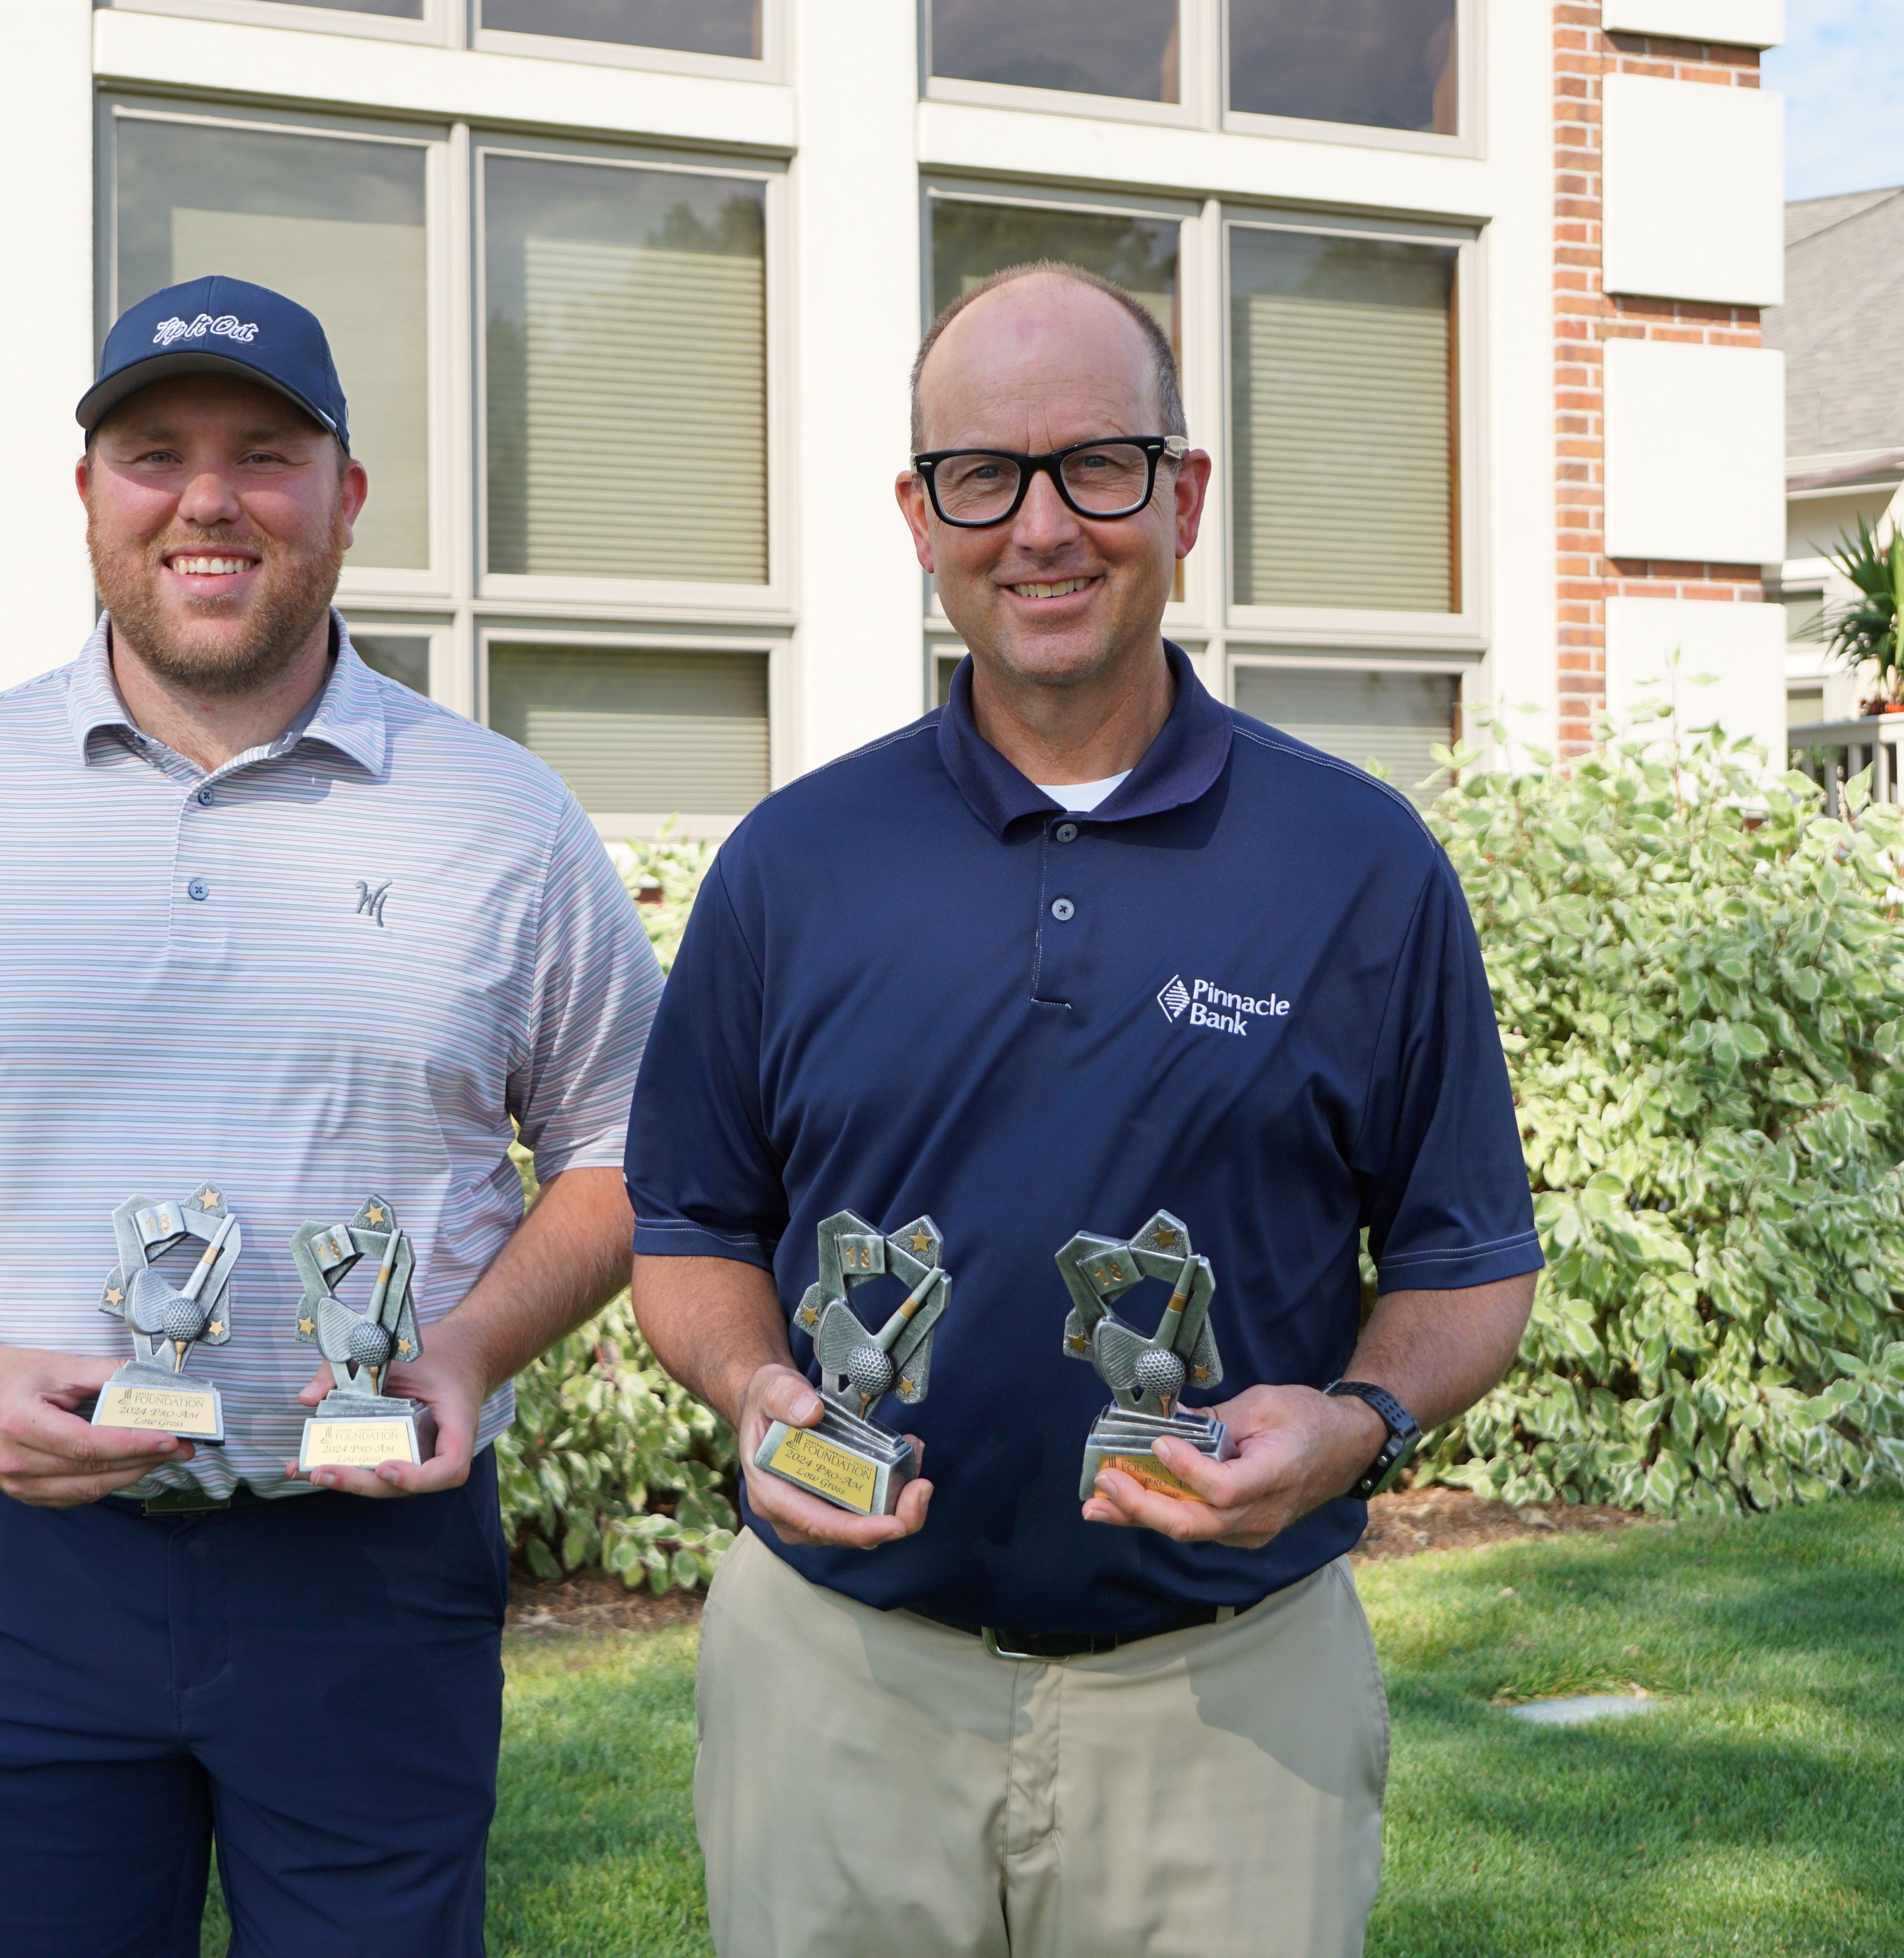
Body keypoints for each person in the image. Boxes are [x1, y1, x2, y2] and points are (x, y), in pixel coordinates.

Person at [0, 274, 665, 1957]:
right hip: (24, 1571)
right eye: (155, 453)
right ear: (91, 499)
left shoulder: (504, 820)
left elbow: (624, 1150)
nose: (208, 498)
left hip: (373, 1572)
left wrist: (467, 1354)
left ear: (346, 501)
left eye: (264, 455)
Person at [627, 264, 1543, 1958]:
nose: (1043, 527)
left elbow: (1468, 1261)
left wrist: (1353, 1424)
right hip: (840, 1685)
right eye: (985, 476)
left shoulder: (1359, 869)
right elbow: (689, 1229)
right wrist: (759, 1390)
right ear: (921, 515)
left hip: (1230, 1700)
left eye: (1098, 467)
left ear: (1184, 495)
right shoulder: (793, 867)